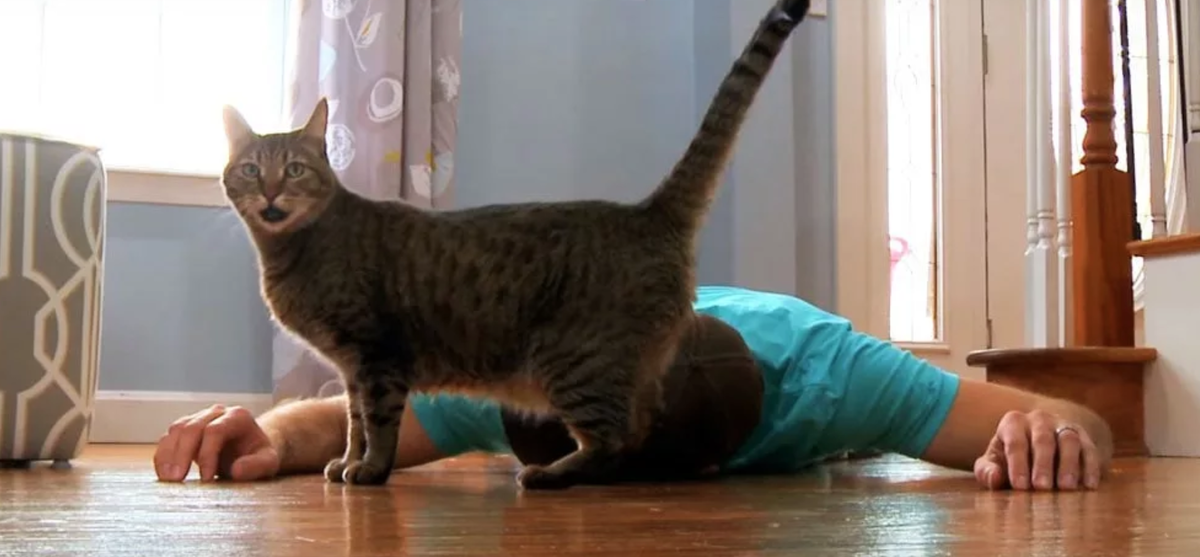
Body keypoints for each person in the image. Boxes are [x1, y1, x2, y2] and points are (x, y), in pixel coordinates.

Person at [153, 286, 1113, 491]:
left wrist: (1055, 433)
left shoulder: (833, 377)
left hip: (815, 397)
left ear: (713, 469)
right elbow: (342, 422)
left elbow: (1081, 420)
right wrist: (270, 434)